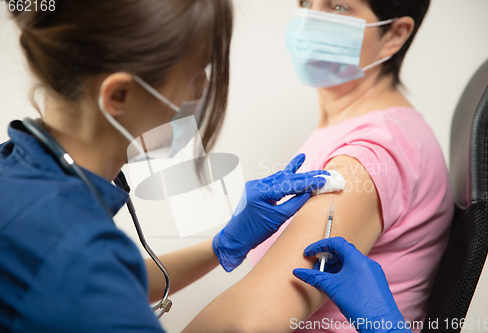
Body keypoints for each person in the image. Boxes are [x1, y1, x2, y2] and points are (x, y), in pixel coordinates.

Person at [0, 1, 333, 332]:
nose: (204, 90)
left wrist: (222, 246)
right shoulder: (74, 252)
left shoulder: (19, 171)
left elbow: (104, 283)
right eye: (195, 74)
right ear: (119, 95)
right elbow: (86, 278)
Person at [186, 0, 453, 332]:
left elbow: (247, 323)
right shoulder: (350, 126)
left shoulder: (371, 152)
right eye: (305, 2)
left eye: (338, 7)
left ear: (394, 34)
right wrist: (223, 244)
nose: (311, 18)